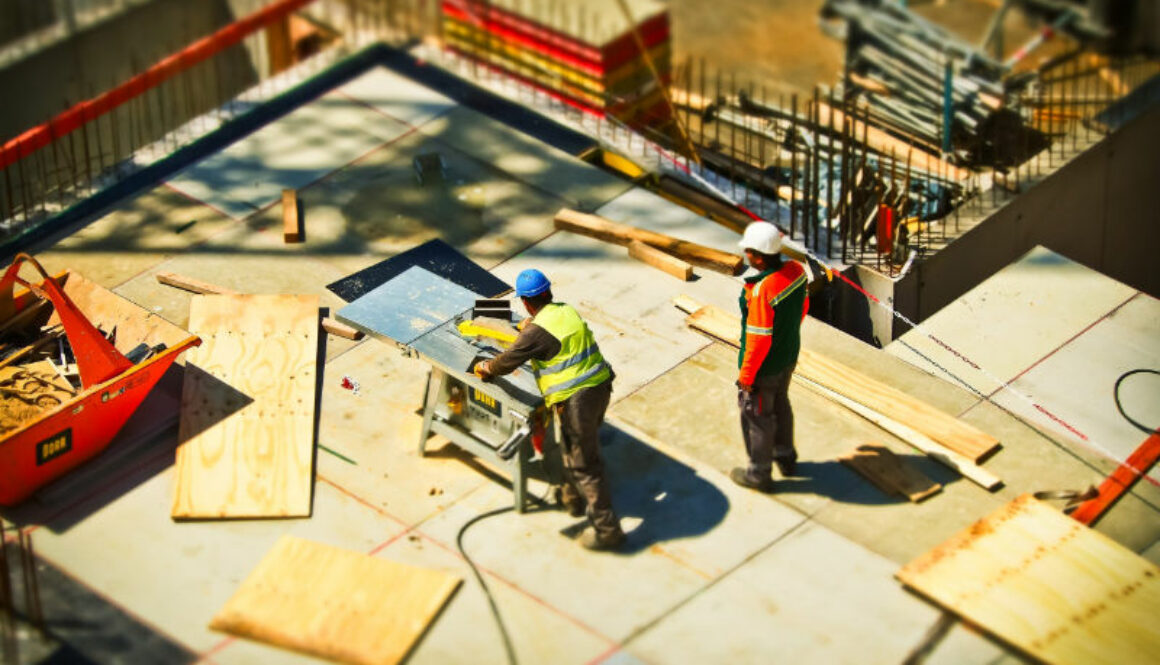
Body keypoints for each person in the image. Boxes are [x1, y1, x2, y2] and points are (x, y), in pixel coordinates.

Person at [473, 269, 626, 551]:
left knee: (585, 464)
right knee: (574, 447)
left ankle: (608, 530)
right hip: (601, 386)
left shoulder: (535, 333)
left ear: (526, 302)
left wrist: (486, 367)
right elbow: (550, 331)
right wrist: (532, 325)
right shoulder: (563, 311)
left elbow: (507, 362)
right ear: (548, 292)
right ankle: (573, 499)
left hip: (576, 400)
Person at [731, 222, 809, 492]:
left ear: (759, 256)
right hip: (788, 356)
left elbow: (758, 339)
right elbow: (803, 306)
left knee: (757, 417)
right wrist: (787, 338)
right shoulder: (796, 272)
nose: (746, 256)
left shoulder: (763, 288)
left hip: (765, 368)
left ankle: (759, 475)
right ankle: (786, 458)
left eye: (749, 252)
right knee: (782, 405)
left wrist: (747, 376)